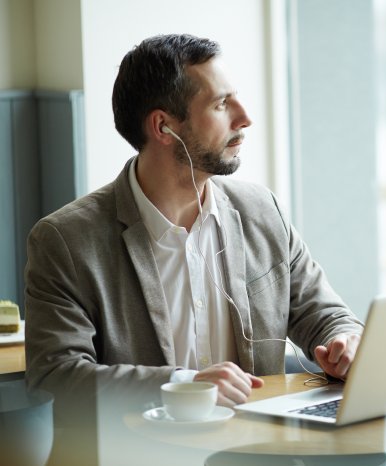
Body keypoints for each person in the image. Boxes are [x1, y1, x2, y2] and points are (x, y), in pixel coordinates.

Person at [24, 34, 363, 412]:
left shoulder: (262, 211)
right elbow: (55, 375)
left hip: (257, 448)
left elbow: (327, 315)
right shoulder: (65, 240)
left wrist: (345, 340)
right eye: (221, 104)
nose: (245, 117)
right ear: (163, 127)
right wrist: (185, 386)